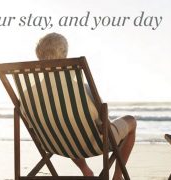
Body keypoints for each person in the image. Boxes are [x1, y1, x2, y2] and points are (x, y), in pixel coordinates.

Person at [35, 32, 137, 180]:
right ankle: (117, 176)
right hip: (91, 144)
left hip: (55, 143)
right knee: (131, 121)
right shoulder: (82, 90)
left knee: (66, 130)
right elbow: (103, 125)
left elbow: (34, 126)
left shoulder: (27, 95)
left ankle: (85, 171)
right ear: (64, 55)